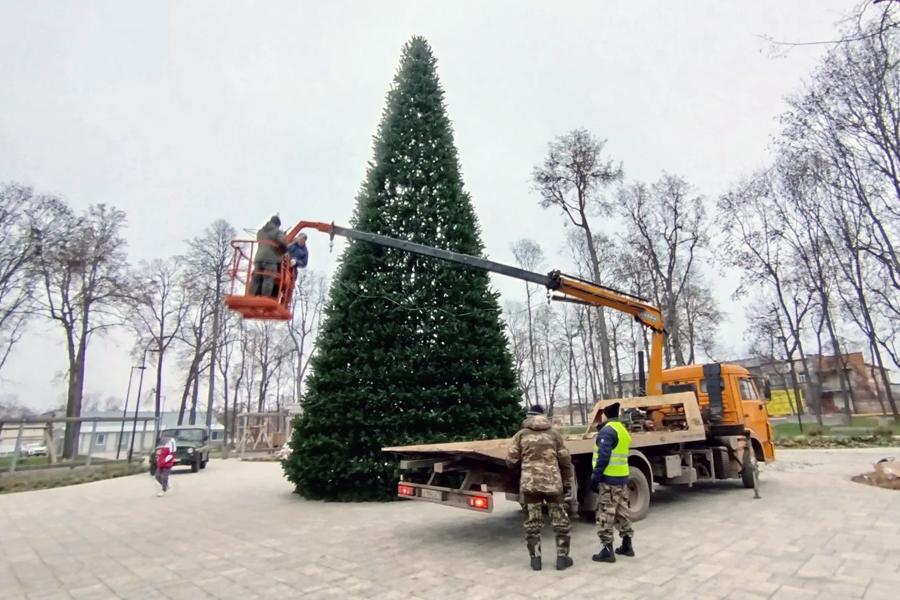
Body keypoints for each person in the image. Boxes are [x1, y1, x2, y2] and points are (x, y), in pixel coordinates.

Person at [506, 404, 574, 571]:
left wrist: (524, 469)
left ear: (528, 417)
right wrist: (566, 483)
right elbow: (565, 461)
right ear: (543, 416)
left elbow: (511, 460)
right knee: (560, 522)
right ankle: (562, 559)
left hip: (530, 485)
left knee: (533, 523)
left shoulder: (520, 435)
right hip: (553, 484)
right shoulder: (554, 434)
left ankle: (535, 560)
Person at [590, 401, 635, 563]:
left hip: (608, 480)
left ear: (606, 415)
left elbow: (603, 456)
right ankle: (627, 545)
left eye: (602, 413)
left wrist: (596, 477)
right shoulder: (622, 430)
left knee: (605, 513)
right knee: (622, 512)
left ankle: (607, 551)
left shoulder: (607, 431)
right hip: (622, 478)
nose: (601, 416)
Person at [249, 215, 288, 298]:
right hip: (271, 258)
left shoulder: (260, 231)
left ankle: (251, 296)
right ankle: (265, 297)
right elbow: (282, 242)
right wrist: (284, 250)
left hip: (258, 258)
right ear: (278, 225)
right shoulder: (278, 232)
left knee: (256, 277)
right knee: (268, 277)